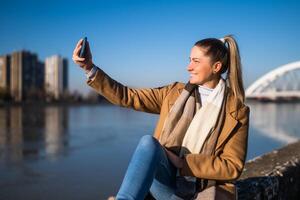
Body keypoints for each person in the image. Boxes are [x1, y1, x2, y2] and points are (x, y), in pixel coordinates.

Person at [72, 35, 250, 200]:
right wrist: (89, 68)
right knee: (148, 142)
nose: (189, 67)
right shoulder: (174, 94)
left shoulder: (236, 112)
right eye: (189, 60)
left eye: (196, 61)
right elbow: (127, 96)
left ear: (216, 67)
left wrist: (182, 162)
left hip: (200, 192)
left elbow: (232, 166)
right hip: (167, 186)